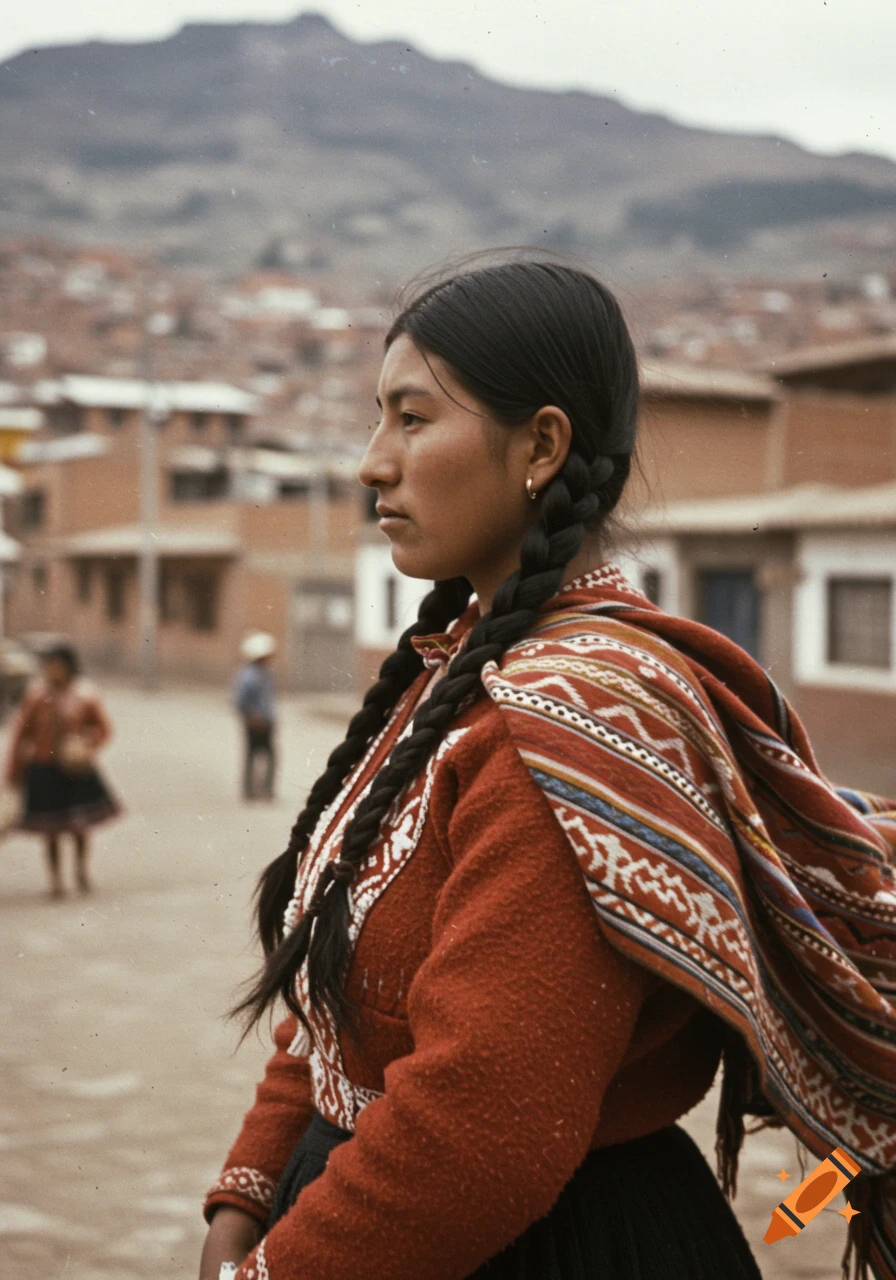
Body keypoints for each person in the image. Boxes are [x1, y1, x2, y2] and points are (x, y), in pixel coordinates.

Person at [199, 259, 896, 1280]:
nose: (370, 463)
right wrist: (248, 1190)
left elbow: (477, 1127)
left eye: (410, 418)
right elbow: (338, 983)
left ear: (540, 445)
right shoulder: (457, 675)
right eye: (376, 418)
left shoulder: (565, 730)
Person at [4, 643, 120, 896]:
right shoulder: (36, 697)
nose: (52, 672)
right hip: (44, 767)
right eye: (48, 667)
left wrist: (86, 743)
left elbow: (103, 729)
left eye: (57, 666)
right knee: (51, 828)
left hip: (75, 769)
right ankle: (55, 879)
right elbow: (20, 735)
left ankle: (80, 869)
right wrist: (13, 772)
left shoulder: (85, 695)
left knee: (80, 825)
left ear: (69, 668)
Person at [234, 632, 277, 801]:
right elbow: (241, 701)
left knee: (268, 755)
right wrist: (252, 716)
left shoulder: (266, 673)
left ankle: (265, 789)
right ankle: (250, 789)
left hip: (267, 719)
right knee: (253, 754)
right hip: (255, 721)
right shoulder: (249, 675)